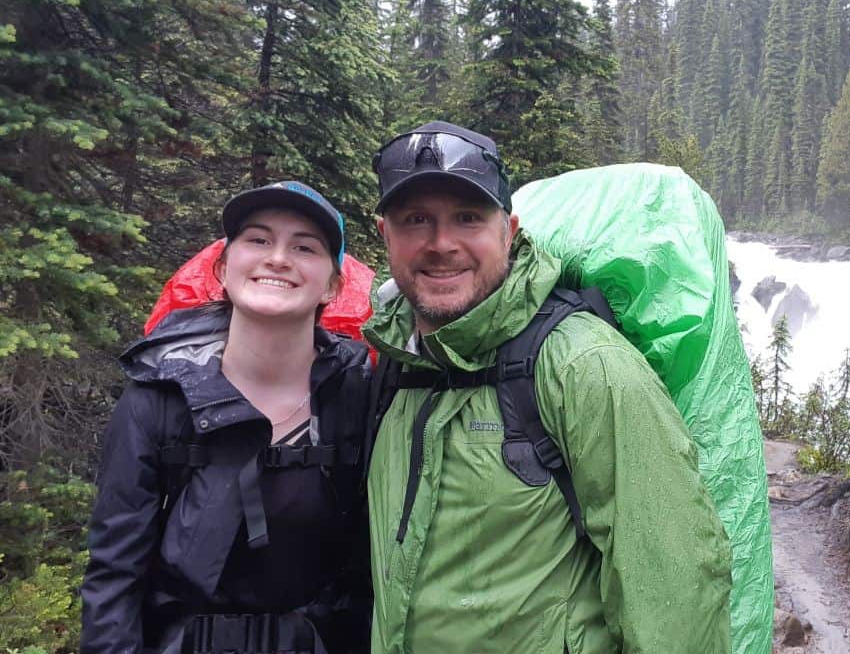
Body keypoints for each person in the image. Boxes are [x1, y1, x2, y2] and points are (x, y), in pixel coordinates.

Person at [364, 122, 732, 653]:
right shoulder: (396, 364)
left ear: (509, 232)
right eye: (416, 220)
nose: (441, 243)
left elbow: (676, 588)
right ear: (386, 235)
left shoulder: (584, 364)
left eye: (467, 217)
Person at [81, 182, 371, 654]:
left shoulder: (358, 395)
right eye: (257, 239)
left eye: (305, 246)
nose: (278, 258)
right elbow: (114, 573)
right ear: (223, 266)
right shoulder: (159, 396)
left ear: (333, 286)